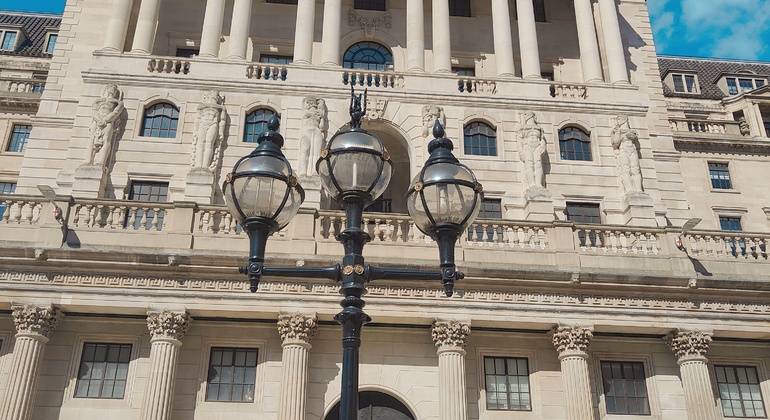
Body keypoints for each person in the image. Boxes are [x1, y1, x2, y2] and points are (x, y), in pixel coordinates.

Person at [87, 84, 124, 166]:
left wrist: (107, 119)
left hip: (108, 121)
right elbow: (94, 111)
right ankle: (88, 161)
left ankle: (101, 162)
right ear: (106, 89)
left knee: (106, 140)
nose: (112, 90)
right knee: (92, 139)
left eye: (114, 89)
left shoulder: (118, 102)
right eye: (111, 88)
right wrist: (99, 120)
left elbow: (116, 112)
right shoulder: (98, 101)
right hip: (97, 120)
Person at [191, 90, 227, 171]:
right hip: (202, 124)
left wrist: (221, 131)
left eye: (216, 95)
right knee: (200, 144)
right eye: (212, 94)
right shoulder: (201, 107)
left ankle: (205, 165)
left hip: (213, 124)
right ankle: (198, 165)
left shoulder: (221, 108)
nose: (214, 96)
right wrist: (196, 130)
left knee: (209, 144)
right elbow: (197, 119)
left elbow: (222, 120)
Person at [611, 114, 643, 194]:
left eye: (619, 119)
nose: (617, 121)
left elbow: (637, 143)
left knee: (636, 169)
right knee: (625, 169)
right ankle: (629, 189)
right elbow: (616, 143)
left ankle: (639, 189)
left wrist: (633, 137)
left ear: (624, 120)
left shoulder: (632, 131)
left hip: (633, 150)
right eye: (617, 119)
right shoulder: (616, 130)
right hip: (623, 149)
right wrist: (618, 133)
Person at [516, 111, 547, 192]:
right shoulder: (523, 128)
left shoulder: (539, 128)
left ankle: (539, 184)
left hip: (537, 146)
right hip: (527, 146)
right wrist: (521, 152)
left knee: (538, 164)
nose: (530, 118)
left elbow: (542, 139)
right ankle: (531, 184)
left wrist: (543, 147)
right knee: (529, 164)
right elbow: (519, 140)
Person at [298, 98, 327, 177]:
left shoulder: (318, 113)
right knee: (304, 150)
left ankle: (315, 172)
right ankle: (302, 172)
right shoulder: (305, 112)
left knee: (317, 153)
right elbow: (304, 114)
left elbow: (321, 127)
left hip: (316, 132)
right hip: (306, 131)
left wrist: (322, 117)